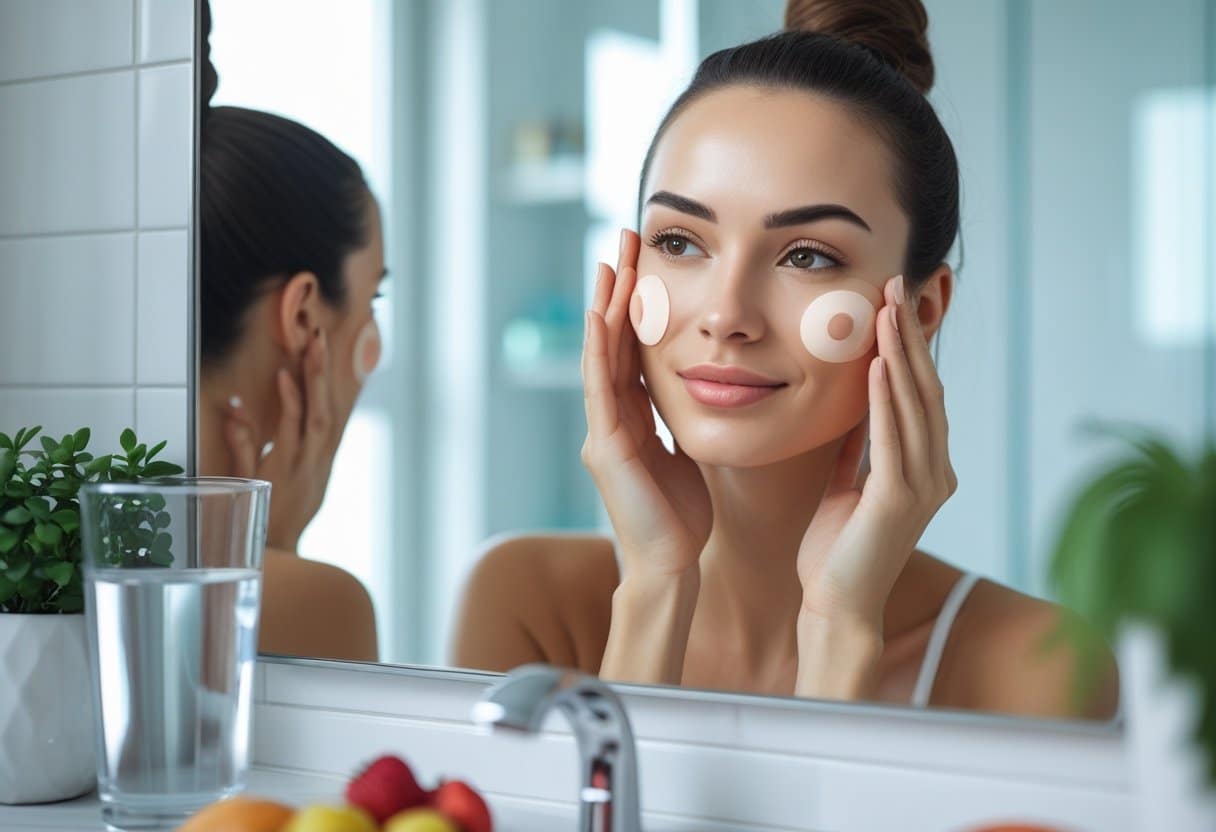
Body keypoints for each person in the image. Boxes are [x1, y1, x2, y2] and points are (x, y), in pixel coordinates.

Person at [452, 0, 1119, 719]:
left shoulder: (1034, 666)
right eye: (680, 242)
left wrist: (839, 628)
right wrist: (654, 587)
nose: (726, 315)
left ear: (922, 311)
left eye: (807, 256)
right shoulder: (523, 602)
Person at [198, 104, 385, 662]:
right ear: (304, 317)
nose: (376, 347)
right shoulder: (321, 602)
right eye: (373, 300)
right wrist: (274, 550)